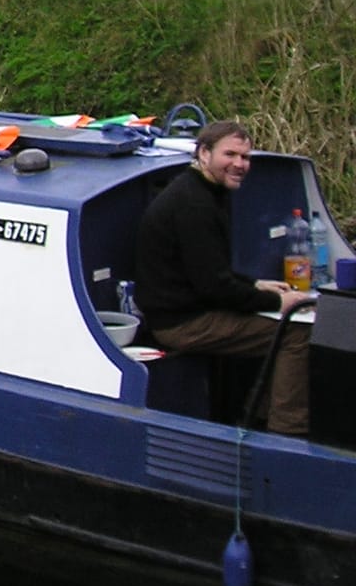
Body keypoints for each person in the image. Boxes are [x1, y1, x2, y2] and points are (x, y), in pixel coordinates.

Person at [135, 119, 314, 436]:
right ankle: (287, 432)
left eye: (245, 157)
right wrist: (277, 301)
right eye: (229, 154)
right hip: (181, 323)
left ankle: (256, 415)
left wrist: (255, 285)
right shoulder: (194, 204)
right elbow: (214, 287)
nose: (239, 164)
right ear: (204, 153)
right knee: (295, 332)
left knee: (282, 318)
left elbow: (209, 270)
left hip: (193, 308)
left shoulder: (206, 192)